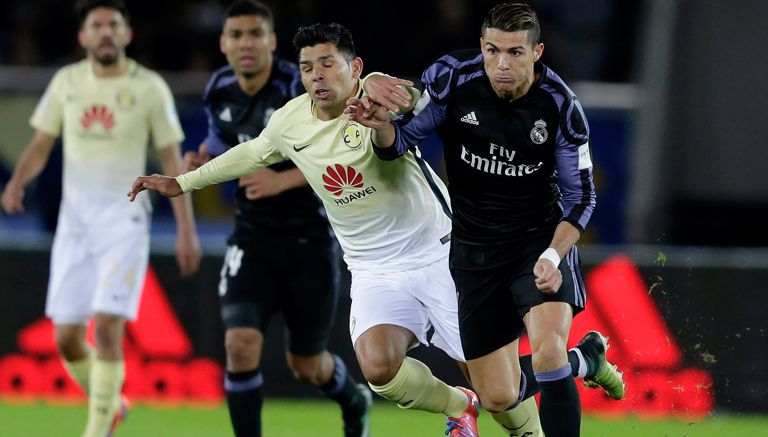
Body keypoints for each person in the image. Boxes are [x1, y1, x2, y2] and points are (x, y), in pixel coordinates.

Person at [129, 21, 620, 437]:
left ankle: (579, 363)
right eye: (306, 68)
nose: (316, 77)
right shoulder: (290, 122)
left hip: (441, 253)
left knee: (503, 393)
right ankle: (456, 408)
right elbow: (253, 152)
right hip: (372, 268)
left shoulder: (377, 99)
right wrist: (182, 182)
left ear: (355, 67)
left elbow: (419, 101)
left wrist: (398, 91)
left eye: (328, 64)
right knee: (379, 367)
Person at [345, 3, 625, 436]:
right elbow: (398, 144)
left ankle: (566, 361)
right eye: (493, 50)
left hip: (537, 245)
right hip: (475, 253)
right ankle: (586, 359)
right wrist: (380, 125)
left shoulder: (560, 107)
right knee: (497, 396)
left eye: (515, 53)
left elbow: (581, 195)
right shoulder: (454, 77)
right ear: (481, 46)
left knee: (548, 355)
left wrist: (554, 254)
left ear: (537, 52)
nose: (502, 64)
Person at [0, 1, 201, 436]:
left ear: (128, 34)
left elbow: (172, 163)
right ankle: (111, 402)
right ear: (83, 37)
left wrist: (187, 230)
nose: (106, 32)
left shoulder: (149, 88)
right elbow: (40, 144)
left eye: (114, 25)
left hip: (124, 222)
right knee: (67, 339)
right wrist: (17, 182)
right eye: (97, 25)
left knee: (108, 325)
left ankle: (97, 430)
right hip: (75, 226)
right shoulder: (67, 82)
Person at [184, 2, 370, 436]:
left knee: (307, 366)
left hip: (308, 239)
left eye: (254, 34)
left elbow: (342, 152)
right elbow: (221, 141)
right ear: (224, 44)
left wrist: (280, 181)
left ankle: (354, 398)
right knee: (239, 344)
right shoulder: (219, 88)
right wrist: (204, 157)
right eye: (236, 35)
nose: (245, 43)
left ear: (270, 41)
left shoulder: (300, 84)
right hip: (251, 237)